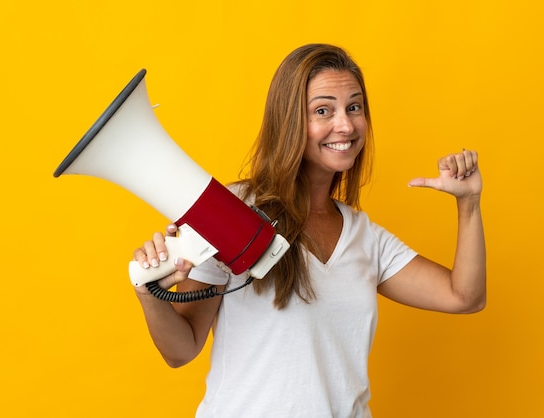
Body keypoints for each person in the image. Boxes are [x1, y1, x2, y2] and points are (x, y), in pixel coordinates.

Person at [132, 43, 486, 418]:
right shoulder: (231, 213)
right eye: (323, 110)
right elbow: (180, 350)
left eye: (354, 107)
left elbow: (464, 296)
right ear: (289, 121)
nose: (346, 125)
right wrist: (149, 293)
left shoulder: (366, 237)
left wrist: (469, 204)